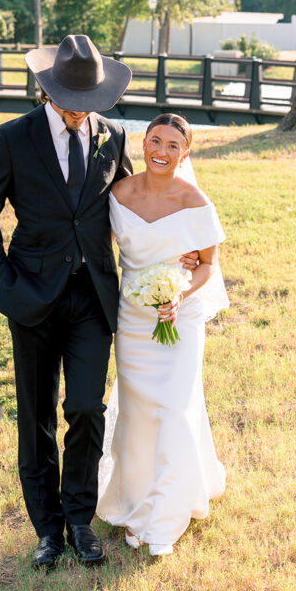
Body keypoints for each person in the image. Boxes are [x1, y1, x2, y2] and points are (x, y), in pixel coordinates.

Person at [0, 34, 133, 570]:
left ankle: (80, 520)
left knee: (85, 408)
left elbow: (132, 208)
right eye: (72, 101)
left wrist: (177, 246)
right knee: (36, 416)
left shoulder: (113, 136)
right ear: (49, 90)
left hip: (92, 299)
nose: (81, 112)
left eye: (90, 102)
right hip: (32, 298)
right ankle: (47, 528)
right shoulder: (12, 138)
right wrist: (6, 286)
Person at [97, 112, 229, 556]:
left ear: (185, 154)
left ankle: (165, 517)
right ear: (143, 143)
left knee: (173, 410)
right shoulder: (118, 195)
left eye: (174, 145)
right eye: (156, 140)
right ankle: (136, 505)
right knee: (138, 415)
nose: (162, 151)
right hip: (133, 321)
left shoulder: (195, 201)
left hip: (180, 318)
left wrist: (180, 291)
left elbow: (208, 265)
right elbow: (100, 248)